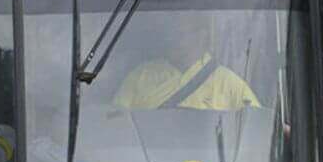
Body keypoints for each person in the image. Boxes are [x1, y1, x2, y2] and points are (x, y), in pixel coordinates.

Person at [111, 21, 261, 111]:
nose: (174, 40)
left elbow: (255, 128)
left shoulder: (230, 84)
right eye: (171, 33)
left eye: (181, 33)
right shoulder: (140, 76)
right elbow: (115, 122)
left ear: (202, 35)